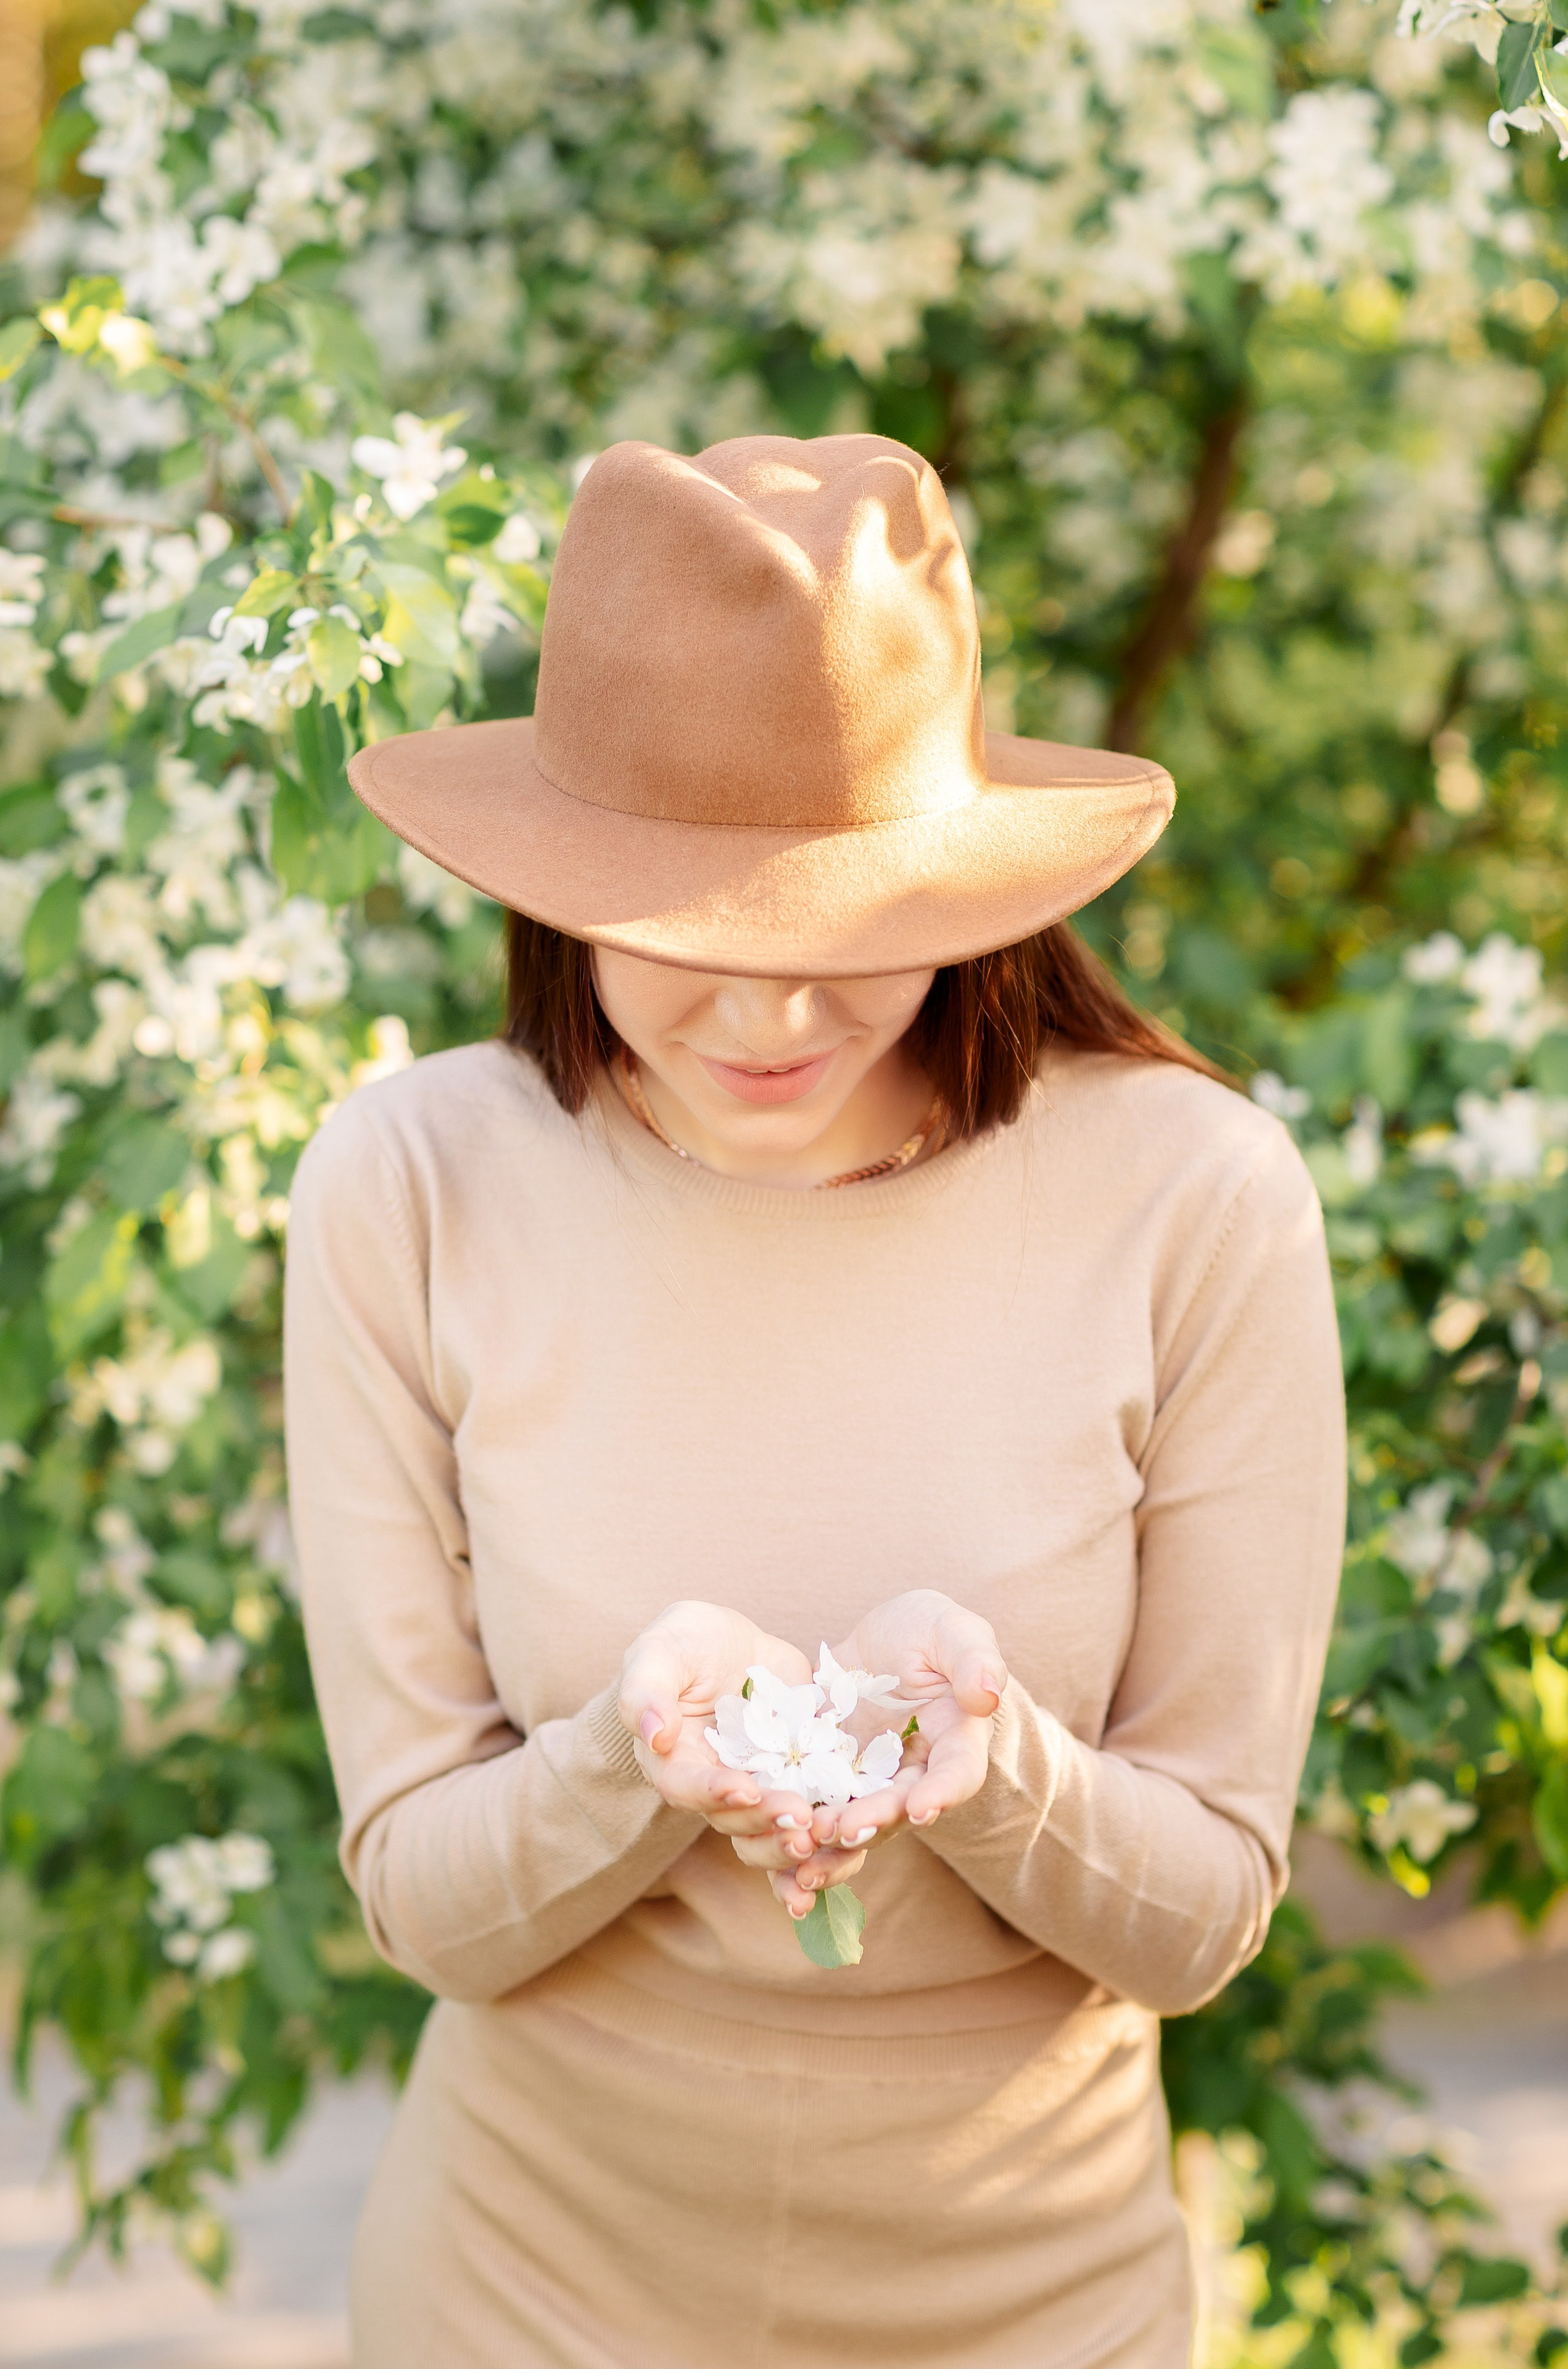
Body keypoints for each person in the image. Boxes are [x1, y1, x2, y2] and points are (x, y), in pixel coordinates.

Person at [283, 432, 1345, 2369]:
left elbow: (1202, 1918)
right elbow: (429, 1910)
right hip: (527, 2299)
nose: (770, 1021)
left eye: (850, 934)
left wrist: (1000, 1766)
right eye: (687, 934)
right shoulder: (408, 1185)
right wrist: (625, 1757)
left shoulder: (1197, 1201)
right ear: (554, 880)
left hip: (1038, 2309)